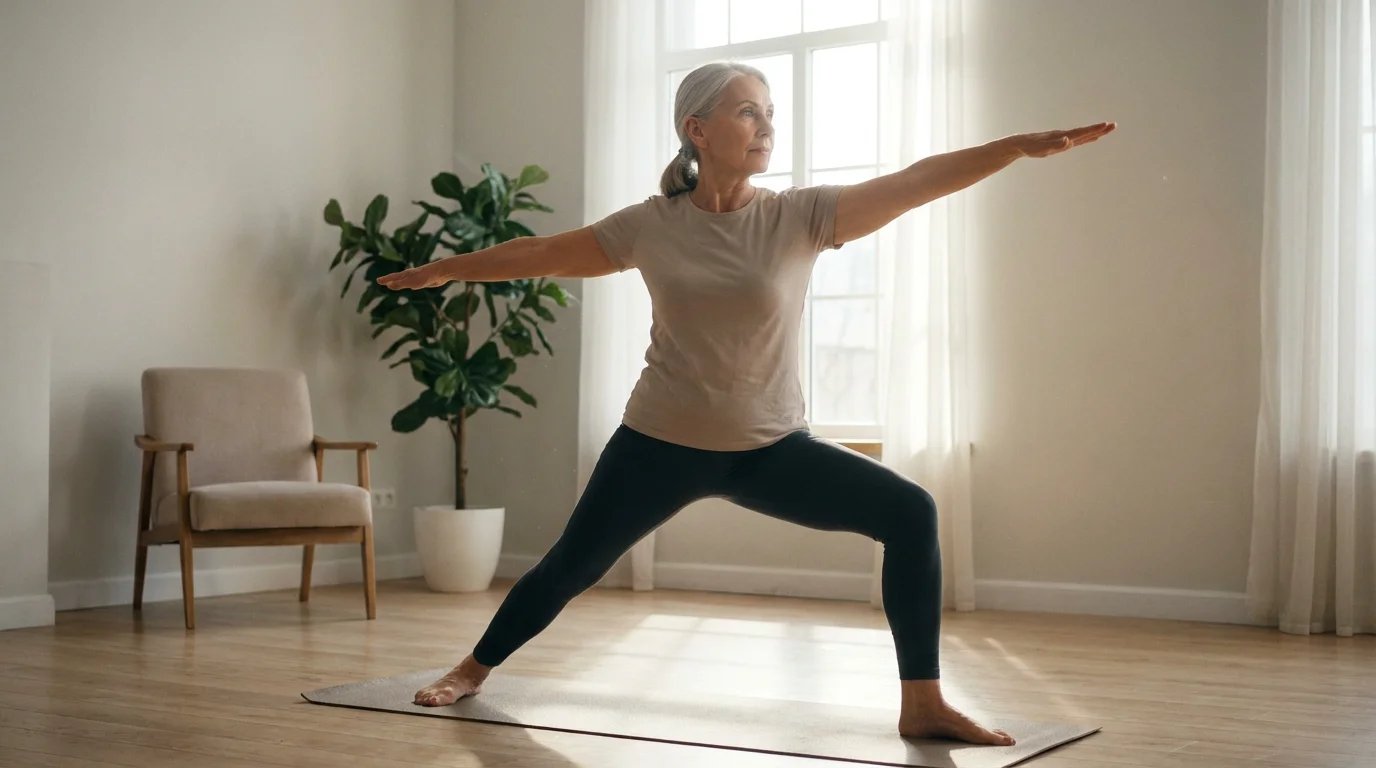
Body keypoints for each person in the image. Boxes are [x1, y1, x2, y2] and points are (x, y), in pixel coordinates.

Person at [378, 61, 1115, 746]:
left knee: (910, 512)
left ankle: (921, 702)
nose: (766, 127)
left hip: (770, 451)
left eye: (770, 114)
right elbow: (539, 254)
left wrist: (1014, 147)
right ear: (696, 130)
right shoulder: (650, 226)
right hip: (657, 445)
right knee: (570, 566)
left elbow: (920, 179)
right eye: (747, 113)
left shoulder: (803, 216)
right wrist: (446, 270)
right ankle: (470, 670)